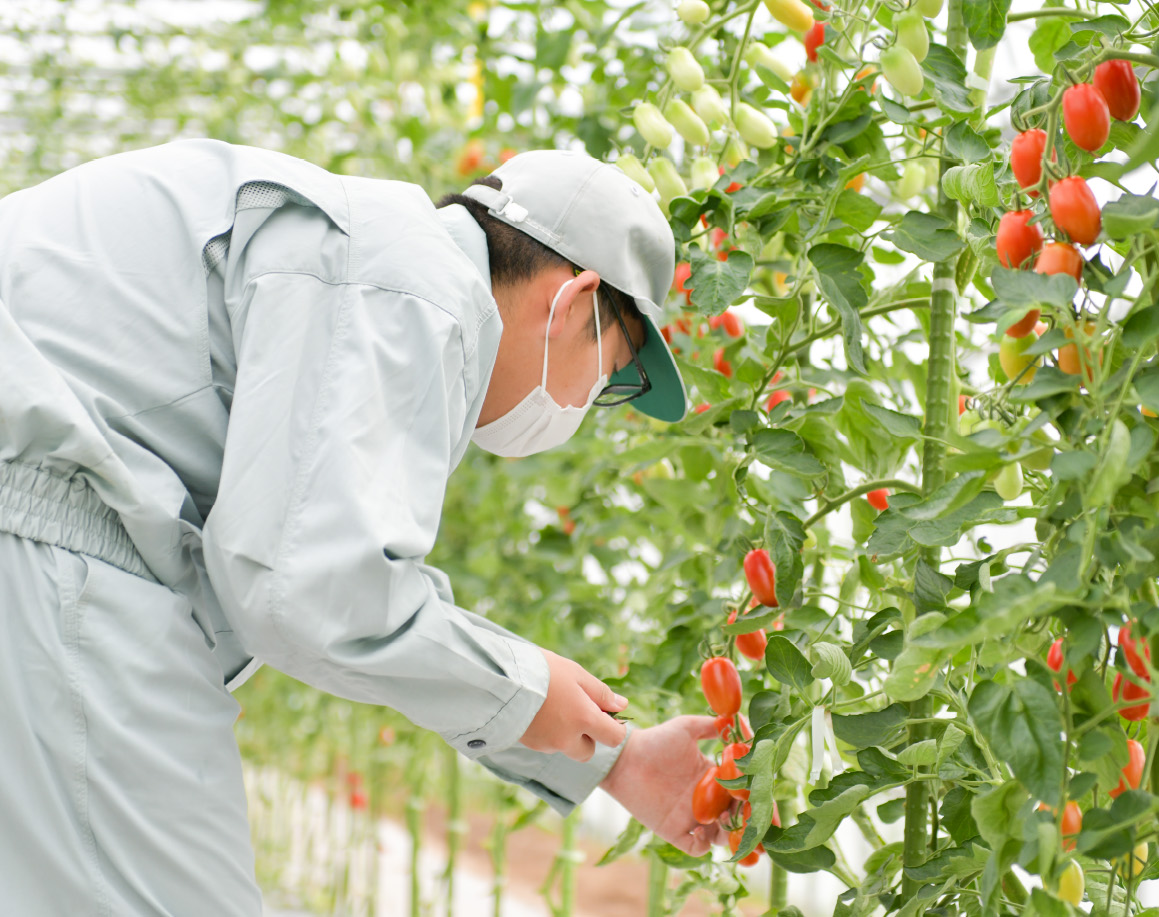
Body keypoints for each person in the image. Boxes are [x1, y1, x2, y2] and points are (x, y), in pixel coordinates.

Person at [0, 139, 729, 915]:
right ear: (575, 301)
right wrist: (526, 689)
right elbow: (312, 590)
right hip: (51, 562)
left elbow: (307, 570)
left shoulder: (371, 260)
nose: (589, 405)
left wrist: (613, 759)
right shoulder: (410, 279)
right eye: (615, 375)